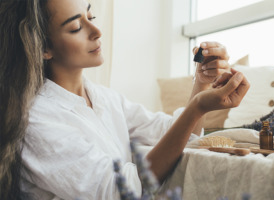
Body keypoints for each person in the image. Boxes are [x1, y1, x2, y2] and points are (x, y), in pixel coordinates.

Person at [0, 0, 250, 199]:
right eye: (76, 27)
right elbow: (118, 190)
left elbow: (176, 135)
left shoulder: (104, 98)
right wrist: (197, 107)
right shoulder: (35, 120)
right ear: (44, 48)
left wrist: (201, 84)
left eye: (91, 17)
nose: (97, 31)